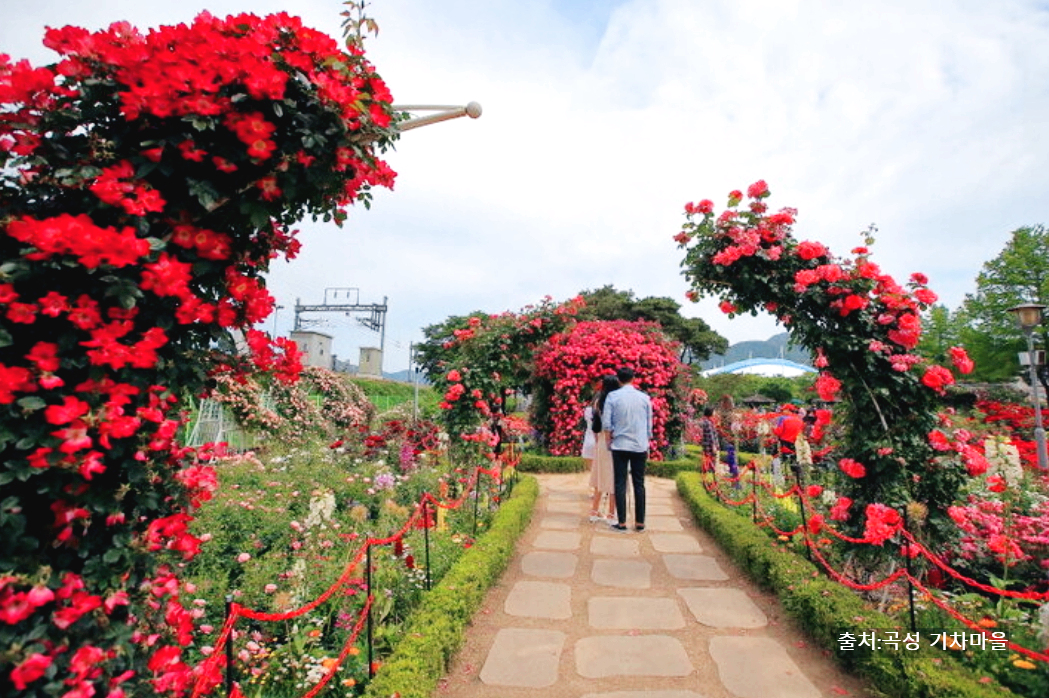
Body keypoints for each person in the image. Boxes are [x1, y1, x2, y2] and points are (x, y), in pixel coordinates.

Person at [604, 366, 652, 532]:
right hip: (639, 445)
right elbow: (649, 424)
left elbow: (607, 423)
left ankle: (622, 522)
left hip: (620, 444)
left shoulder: (612, 396)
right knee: (639, 483)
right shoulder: (644, 398)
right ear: (633, 379)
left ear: (618, 380)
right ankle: (640, 522)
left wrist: (608, 442)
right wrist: (647, 442)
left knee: (620, 483)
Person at [587, 375, 619, 523]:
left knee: (599, 475)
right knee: (613, 477)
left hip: (600, 441)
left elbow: (595, 425)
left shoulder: (598, 401)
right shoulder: (615, 402)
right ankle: (611, 514)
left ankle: (594, 511)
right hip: (613, 441)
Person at [698, 406, 719, 472]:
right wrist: (713, 446)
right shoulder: (708, 422)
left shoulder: (707, 421)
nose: (715, 412)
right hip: (709, 445)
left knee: (707, 459)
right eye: (714, 411)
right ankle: (710, 472)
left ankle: (707, 471)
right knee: (710, 459)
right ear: (710, 412)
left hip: (707, 444)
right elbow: (710, 435)